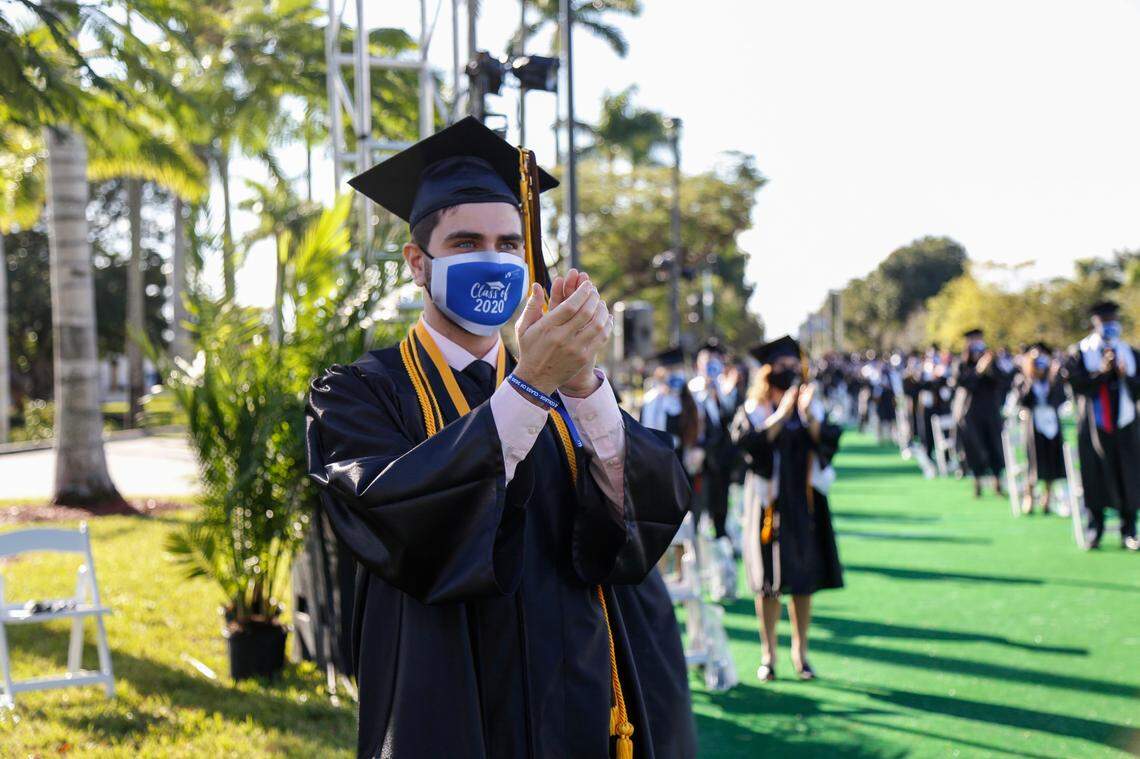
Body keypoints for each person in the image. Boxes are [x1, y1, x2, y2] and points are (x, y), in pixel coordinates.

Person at [304, 117, 694, 758]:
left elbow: (635, 528)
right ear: (417, 264)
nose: (492, 259)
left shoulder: (563, 390)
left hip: (575, 705)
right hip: (451, 705)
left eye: (509, 243)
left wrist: (582, 385)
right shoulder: (356, 394)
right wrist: (532, 383)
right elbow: (396, 519)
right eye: (465, 242)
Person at [730, 335, 843, 682]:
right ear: (767, 371)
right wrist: (780, 414)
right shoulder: (753, 410)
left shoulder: (810, 405)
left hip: (804, 503)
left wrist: (807, 417)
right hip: (768, 506)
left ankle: (801, 652)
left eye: (794, 365)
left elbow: (828, 441)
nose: (789, 371)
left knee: (804, 579)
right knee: (767, 582)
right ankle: (768, 654)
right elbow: (747, 445)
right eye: (781, 366)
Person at [1062, 301, 1140, 551]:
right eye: (1104, 321)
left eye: (1112, 320)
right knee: (1095, 478)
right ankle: (1095, 529)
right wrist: (1102, 374)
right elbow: (1076, 386)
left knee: (1128, 476)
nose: (1109, 325)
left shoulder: (1129, 352)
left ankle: (1129, 529)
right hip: (1093, 428)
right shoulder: (1081, 352)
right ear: (1095, 324)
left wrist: (1124, 375)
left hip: (1126, 427)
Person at [689, 343, 741, 540]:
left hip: (722, 456)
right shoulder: (693, 390)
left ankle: (721, 534)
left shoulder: (724, 388)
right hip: (703, 458)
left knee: (721, 500)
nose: (712, 367)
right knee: (700, 503)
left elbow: (730, 416)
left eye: (716, 363)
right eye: (708, 363)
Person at [952, 328, 1012, 497]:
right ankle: (977, 483)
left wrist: (990, 366)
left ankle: (997, 483)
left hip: (991, 412)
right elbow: (962, 384)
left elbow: (1003, 382)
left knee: (994, 447)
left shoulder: (992, 361)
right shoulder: (962, 364)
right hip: (970, 414)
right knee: (974, 448)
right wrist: (978, 370)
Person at [1014, 343, 1067, 514]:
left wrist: (1052, 378)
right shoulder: (1023, 379)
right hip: (1033, 424)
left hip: (1051, 422)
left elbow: (1060, 399)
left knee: (1052, 459)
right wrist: (1031, 378)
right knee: (1033, 460)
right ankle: (1029, 496)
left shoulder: (1054, 378)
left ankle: (1047, 497)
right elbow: (1023, 401)